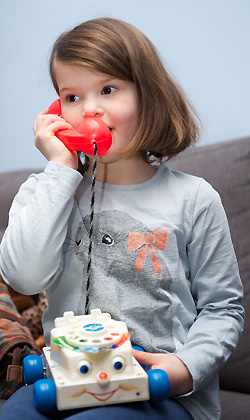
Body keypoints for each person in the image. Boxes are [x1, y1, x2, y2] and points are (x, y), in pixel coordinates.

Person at [0, 17, 244, 420]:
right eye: (72, 97)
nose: (89, 109)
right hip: (67, 378)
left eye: (108, 89)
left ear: (147, 96)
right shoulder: (48, 188)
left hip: (160, 391)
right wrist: (61, 169)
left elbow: (224, 308)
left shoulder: (194, 198)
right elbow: (24, 278)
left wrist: (185, 369)